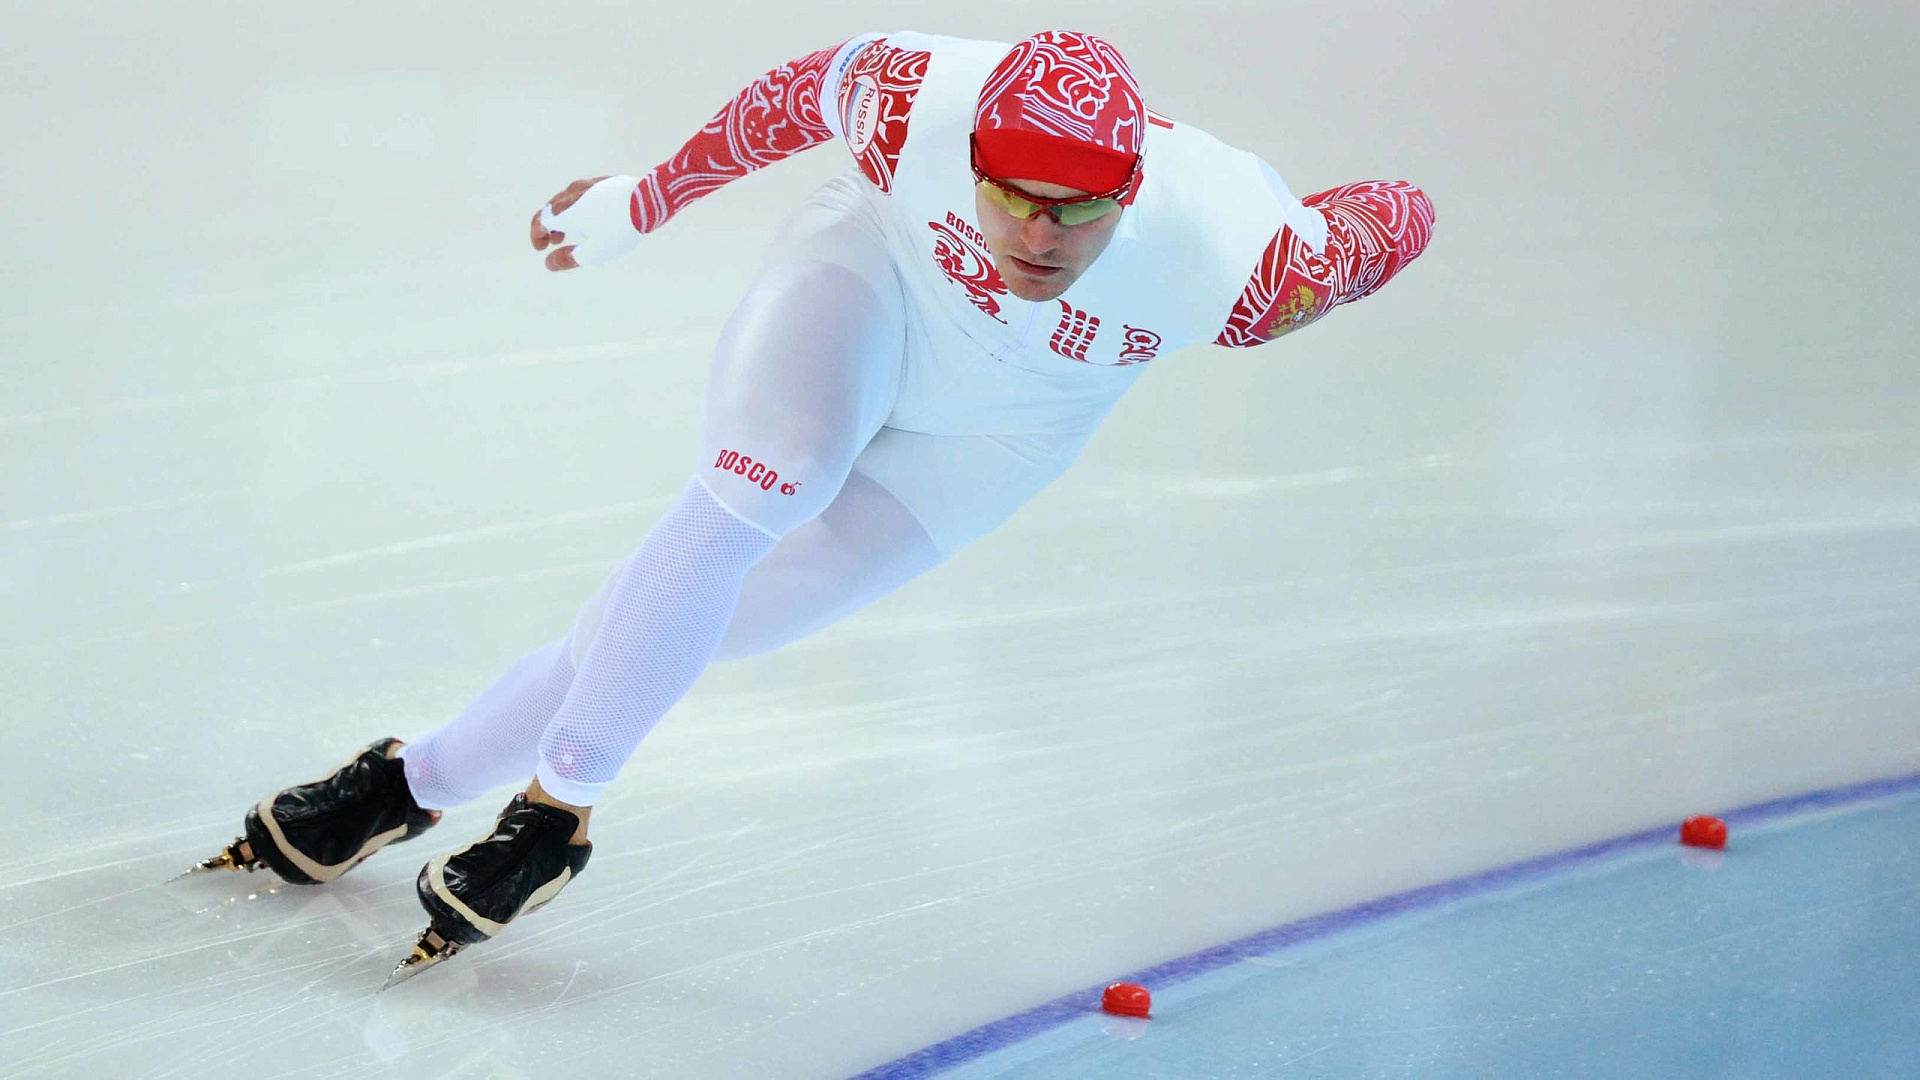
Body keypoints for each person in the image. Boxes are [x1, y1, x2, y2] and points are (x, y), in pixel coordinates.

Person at [194, 29, 1435, 980]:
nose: (1041, 237)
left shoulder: (1247, 263)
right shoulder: (914, 98)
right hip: (871, 287)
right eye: (1011, 195)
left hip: (1001, 434)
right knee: (753, 485)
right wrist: (640, 201)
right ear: (969, 157)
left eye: (1081, 210)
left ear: (1134, 185)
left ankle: (410, 784)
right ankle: (555, 817)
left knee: (695, 622)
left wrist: (1373, 224)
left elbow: (1400, 216)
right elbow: (780, 106)